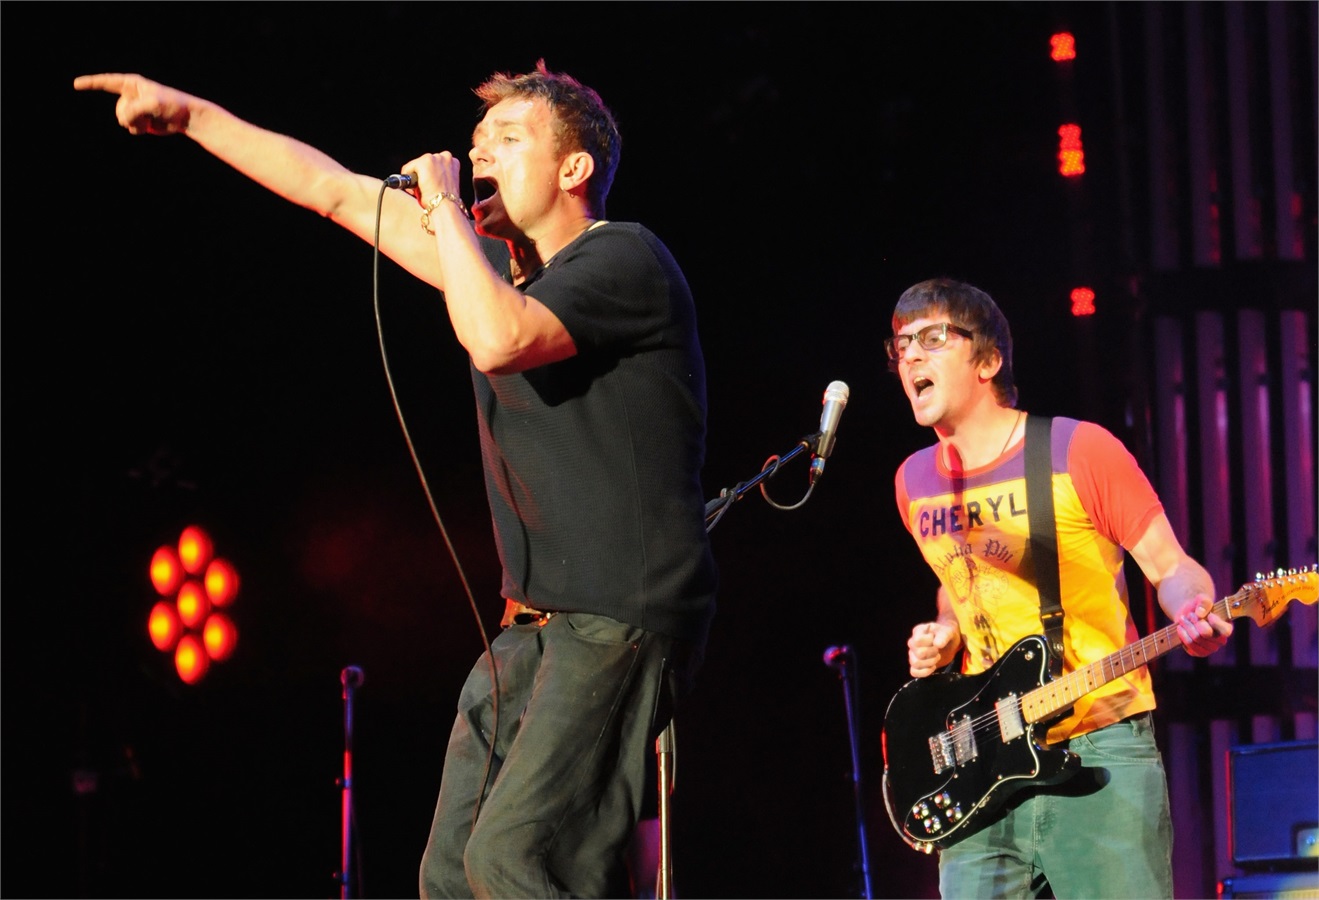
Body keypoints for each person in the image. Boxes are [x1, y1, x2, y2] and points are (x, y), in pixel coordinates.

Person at [75, 62, 717, 898]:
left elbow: (499, 339)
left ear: (573, 168)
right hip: (530, 627)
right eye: (477, 141)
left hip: (616, 618)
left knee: (510, 859)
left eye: (507, 139)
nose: (478, 154)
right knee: (450, 873)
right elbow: (332, 191)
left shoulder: (624, 256)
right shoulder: (499, 274)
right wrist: (193, 116)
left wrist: (445, 208)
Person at [886, 277, 1232, 898]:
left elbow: (1172, 566)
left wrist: (1194, 607)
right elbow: (955, 582)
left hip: (1099, 742)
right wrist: (946, 632)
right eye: (901, 344)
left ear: (988, 361)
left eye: (932, 338)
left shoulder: (1079, 450)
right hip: (983, 756)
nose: (910, 354)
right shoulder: (914, 481)